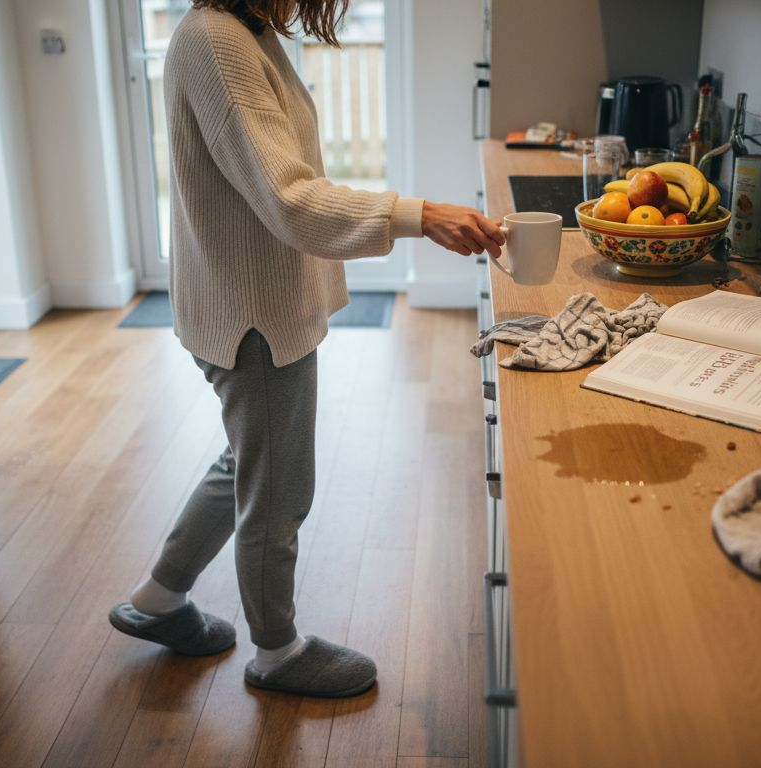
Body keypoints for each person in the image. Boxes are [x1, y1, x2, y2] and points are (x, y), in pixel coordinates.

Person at [107, 0, 504, 698]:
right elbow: (290, 199)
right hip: (252, 314)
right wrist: (419, 215)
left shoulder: (241, 29)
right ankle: (278, 652)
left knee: (250, 463)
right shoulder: (218, 41)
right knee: (279, 490)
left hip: (247, 300)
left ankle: (158, 599)